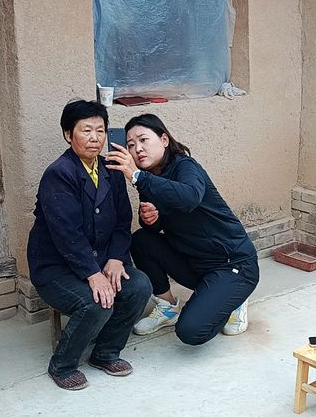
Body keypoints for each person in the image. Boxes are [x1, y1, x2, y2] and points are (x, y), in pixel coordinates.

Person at [27, 100, 152, 390]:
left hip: (102, 259)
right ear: (68, 134)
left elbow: (122, 221)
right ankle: (62, 365)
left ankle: (105, 353)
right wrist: (93, 274)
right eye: (86, 130)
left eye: (100, 130)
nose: (95, 138)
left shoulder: (111, 168)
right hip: (57, 267)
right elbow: (65, 234)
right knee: (96, 303)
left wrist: (117, 258)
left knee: (139, 287)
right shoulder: (59, 173)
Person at [105, 114, 259, 345]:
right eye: (131, 145)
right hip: (195, 264)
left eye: (144, 140)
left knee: (190, 331)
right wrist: (151, 219)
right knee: (141, 240)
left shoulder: (185, 166)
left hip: (232, 264)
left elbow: (189, 197)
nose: (138, 149)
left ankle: (233, 299)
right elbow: (157, 226)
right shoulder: (149, 177)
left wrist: (136, 176)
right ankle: (168, 307)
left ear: (164, 140)